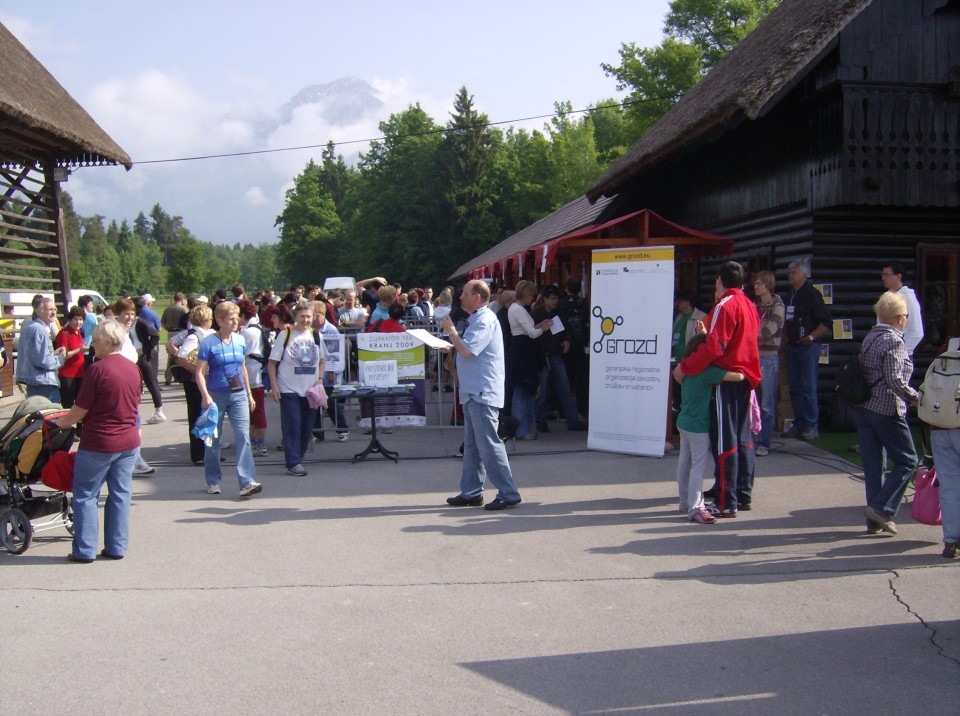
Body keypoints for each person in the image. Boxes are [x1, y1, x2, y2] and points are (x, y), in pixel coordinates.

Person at [674, 261, 761, 517]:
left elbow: (715, 348)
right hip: (746, 377)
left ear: (720, 282)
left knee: (726, 440)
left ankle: (726, 499)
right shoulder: (749, 304)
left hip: (727, 378)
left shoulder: (726, 304)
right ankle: (741, 492)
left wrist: (686, 366)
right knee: (743, 438)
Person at [55, 319, 142, 562]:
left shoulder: (97, 369)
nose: (92, 345)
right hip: (128, 441)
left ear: (107, 342)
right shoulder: (132, 368)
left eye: (95, 340)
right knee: (120, 494)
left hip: (100, 442)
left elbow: (80, 409)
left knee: (85, 495)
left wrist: (61, 423)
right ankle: (116, 546)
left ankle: (84, 550)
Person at [441, 280, 522, 511]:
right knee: (474, 446)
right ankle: (472, 491)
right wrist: (451, 339)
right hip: (473, 390)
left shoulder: (485, 320)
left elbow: (467, 350)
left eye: (465, 294)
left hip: (482, 391)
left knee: (488, 444)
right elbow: (465, 346)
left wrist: (452, 332)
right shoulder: (477, 318)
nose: (461, 298)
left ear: (477, 297)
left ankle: (508, 492)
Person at [856, 292, 919, 536]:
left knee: (874, 467)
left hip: (864, 407)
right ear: (899, 317)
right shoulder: (894, 341)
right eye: (905, 315)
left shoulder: (870, 337)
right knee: (907, 460)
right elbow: (894, 379)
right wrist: (914, 397)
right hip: (886, 409)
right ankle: (882, 509)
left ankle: (874, 521)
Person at [676, 333, 746, 524]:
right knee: (698, 467)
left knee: (685, 461)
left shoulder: (686, 368)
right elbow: (739, 376)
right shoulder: (708, 371)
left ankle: (684, 502)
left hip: (683, 421)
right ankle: (696, 507)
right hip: (699, 426)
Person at [195, 301, 262, 497]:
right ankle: (213, 480)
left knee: (243, 436)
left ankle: (247, 481)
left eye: (237, 317)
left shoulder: (240, 340)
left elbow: (242, 368)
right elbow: (199, 372)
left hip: (239, 393)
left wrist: (249, 394)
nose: (236, 321)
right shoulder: (209, 343)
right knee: (214, 440)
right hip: (216, 394)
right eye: (231, 318)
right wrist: (205, 396)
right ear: (219, 320)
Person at [268, 302, 327, 477]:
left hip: (310, 389)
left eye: (309, 316)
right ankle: (293, 462)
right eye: (302, 316)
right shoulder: (285, 335)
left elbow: (322, 361)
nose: (306, 320)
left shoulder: (316, 336)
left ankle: (297, 458)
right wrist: (274, 385)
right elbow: (272, 363)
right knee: (292, 426)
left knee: (306, 427)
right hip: (288, 388)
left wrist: (320, 380)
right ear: (295, 317)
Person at [783, 258, 831, 440]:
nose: (790, 276)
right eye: (790, 273)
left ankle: (811, 425)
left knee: (807, 386)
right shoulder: (790, 293)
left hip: (808, 347)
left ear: (804, 274)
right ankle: (799, 422)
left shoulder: (812, 294)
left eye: (794, 272)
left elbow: (826, 321)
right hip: (792, 346)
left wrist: (811, 337)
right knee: (795, 386)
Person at [531, 284, 587, 433]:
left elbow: (566, 329)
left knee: (564, 389)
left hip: (556, 355)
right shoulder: (537, 313)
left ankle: (573, 421)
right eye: (552, 298)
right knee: (542, 392)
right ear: (545, 299)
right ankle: (541, 421)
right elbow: (533, 335)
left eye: (556, 298)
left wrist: (567, 340)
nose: (555, 301)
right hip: (544, 356)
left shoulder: (558, 313)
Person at [508, 280, 552, 440]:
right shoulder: (519, 310)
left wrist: (539, 326)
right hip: (524, 351)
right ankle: (521, 429)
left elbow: (529, 329)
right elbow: (532, 333)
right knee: (523, 392)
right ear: (525, 294)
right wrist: (543, 328)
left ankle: (521, 427)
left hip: (521, 349)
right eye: (530, 295)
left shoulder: (516, 309)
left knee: (523, 391)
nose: (532, 298)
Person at [174, 305, 215, 465]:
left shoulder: (209, 334)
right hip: (193, 382)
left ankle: (208, 451)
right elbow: (182, 358)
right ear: (205, 320)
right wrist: (199, 371)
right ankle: (198, 454)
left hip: (204, 380)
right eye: (210, 318)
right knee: (197, 415)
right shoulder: (194, 336)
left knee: (208, 415)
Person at [753, 270, 785, 456]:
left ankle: (764, 442)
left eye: (759, 283)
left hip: (769, 357)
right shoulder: (755, 305)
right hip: (754, 356)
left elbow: (768, 331)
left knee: (767, 404)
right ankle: (753, 439)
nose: (756, 286)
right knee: (754, 401)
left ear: (767, 284)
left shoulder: (777, 305)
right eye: (755, 283)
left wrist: (751, 334)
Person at [15, 295, 65, 402]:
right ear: (38, 312)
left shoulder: (29, 327)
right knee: (51, 415)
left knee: (37, 414)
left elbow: (34, 354)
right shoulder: (40, 330)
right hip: (44, 383)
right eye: (50, 309)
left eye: (55, 309)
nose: (54, 312)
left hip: (33, 381)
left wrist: (53, 353)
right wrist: (60, 358)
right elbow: (44, 361)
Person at [238, 299, 270, 457]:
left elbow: (239, 354)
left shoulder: (247, 333)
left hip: (251, 375)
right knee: (255, 411)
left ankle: (259, 443)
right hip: (257, 373)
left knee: (255, 412)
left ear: (243, 315)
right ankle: (255, 441)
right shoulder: (258, 327)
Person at [880, 262, 924, 355]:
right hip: (884, 354)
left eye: (887, 275)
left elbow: (917, 332)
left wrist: (900, 353)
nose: (883, 278)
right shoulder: (886, 297)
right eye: (882, 274)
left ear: (898, 277)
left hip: (899, 357)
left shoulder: (908, 298)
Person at [54, 306, 87, 408]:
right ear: (70, 320)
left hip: (80, 373)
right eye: (75, 319)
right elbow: (62, 355)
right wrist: (79, 350)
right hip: (67, 375)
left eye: (80, 319)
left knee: (81, 404)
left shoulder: (79, 333)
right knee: (68, 405)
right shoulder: (64, 333)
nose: (78, 322)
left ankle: (80, 424)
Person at [161, 292, 188, 384]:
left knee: (170, 356)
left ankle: (168, 378)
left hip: (170, 332)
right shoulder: (184, 309)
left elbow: (163, 322)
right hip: (180, 332)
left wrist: (167, 328)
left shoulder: (168, 309)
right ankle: (178, 376)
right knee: (180, 354)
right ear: (182, 299)